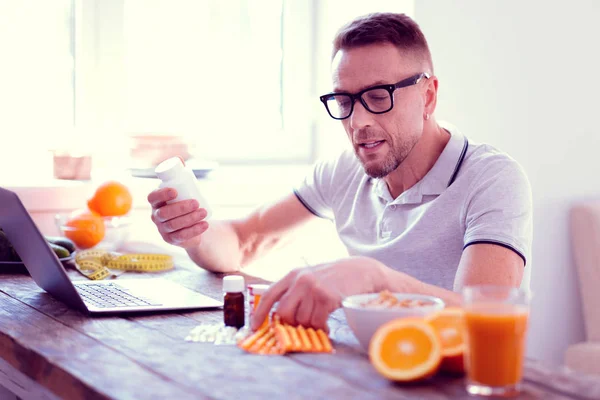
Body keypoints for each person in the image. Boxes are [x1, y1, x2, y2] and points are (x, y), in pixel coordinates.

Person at [147, 13, 532, 332]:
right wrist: (193, 231)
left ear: (428, 96)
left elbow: (488, 318)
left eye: (379, 97)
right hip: (368, 373)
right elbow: (242, 243)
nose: (358, 121)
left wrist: (377, 279)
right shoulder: (345, 170)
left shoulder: (491, 179)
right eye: (344, 100)